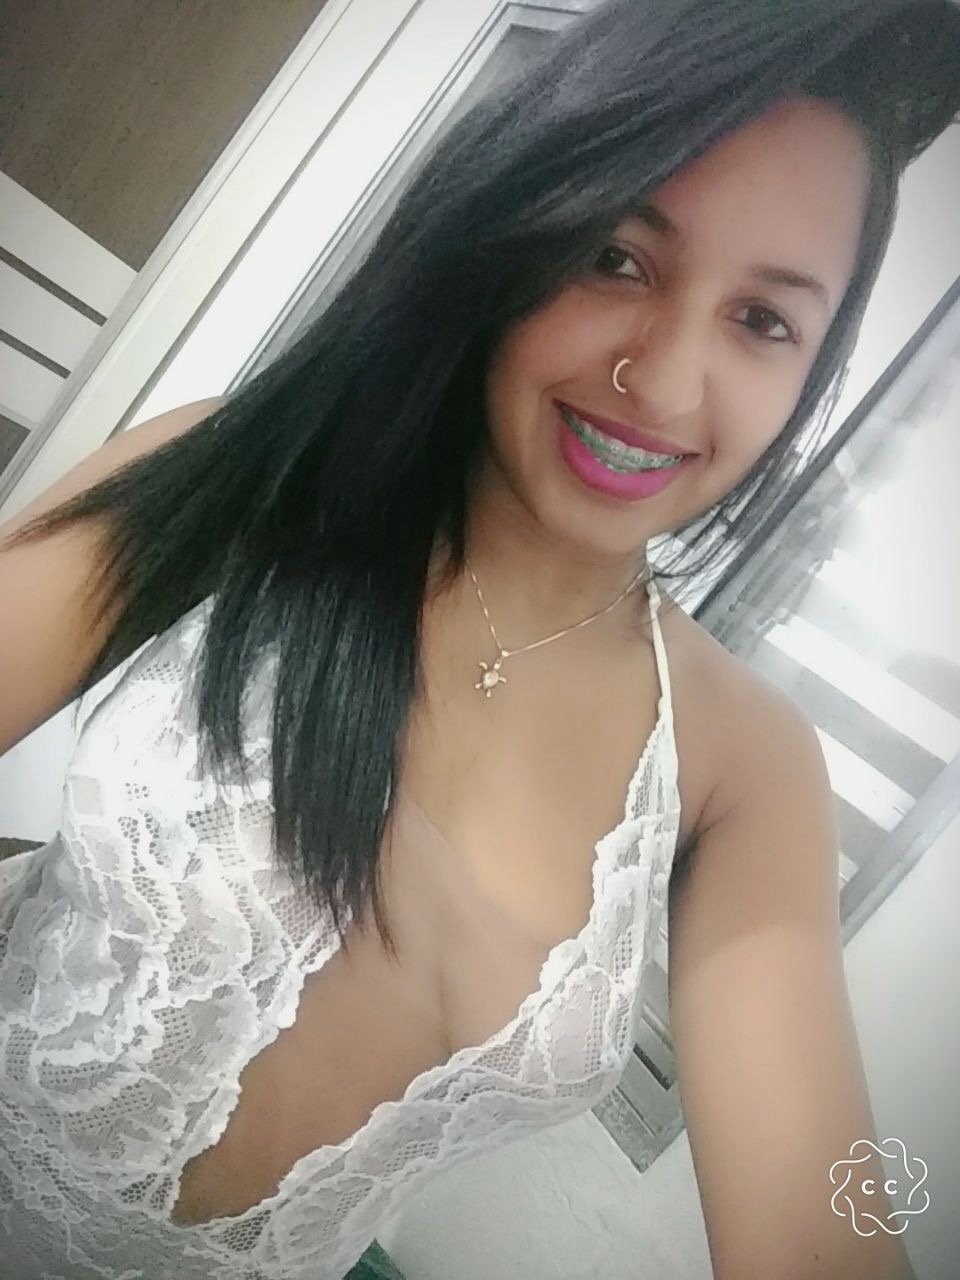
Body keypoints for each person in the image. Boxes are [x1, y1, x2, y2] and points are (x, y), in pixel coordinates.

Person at [1, 0, 958, 1276]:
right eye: (617, 256)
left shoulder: (746, 766)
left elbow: (827, 1215)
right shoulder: (250, 473)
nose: (667, 383)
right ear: (517, 226)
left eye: (763, 320)